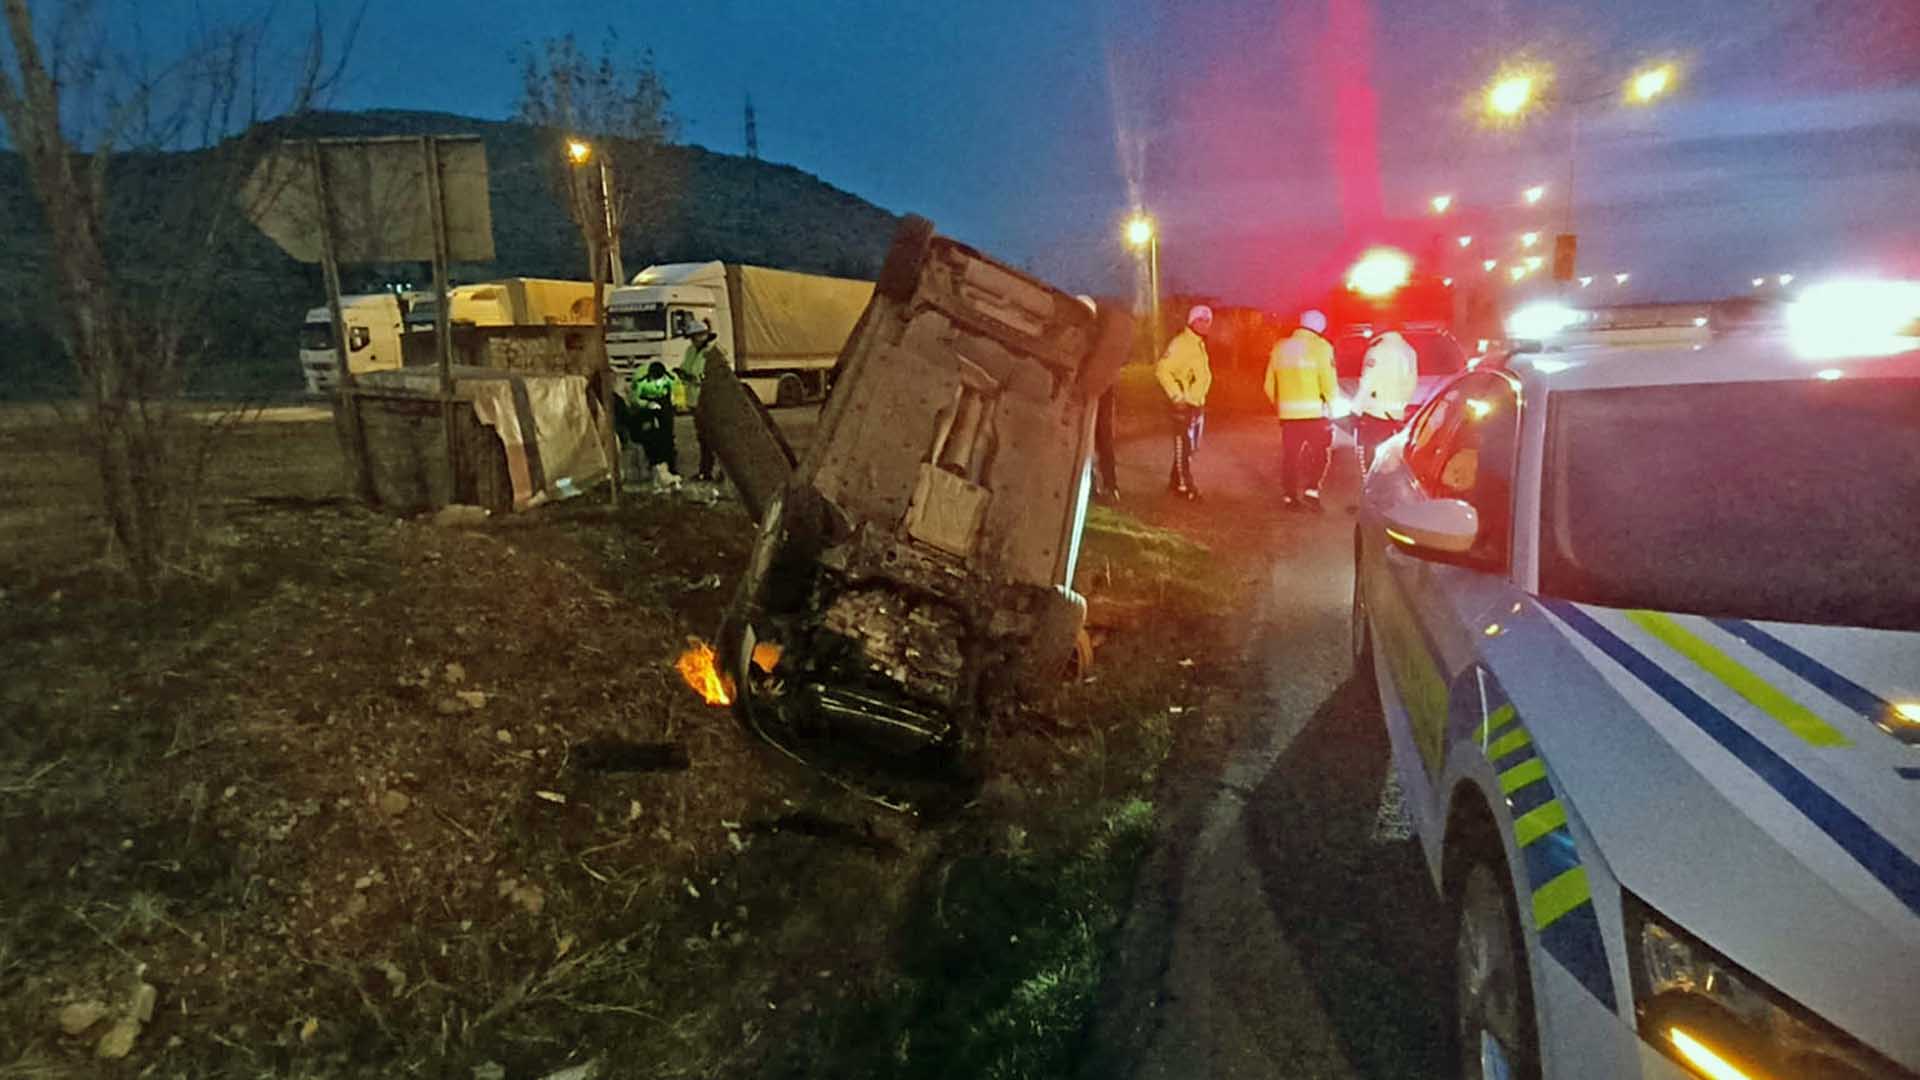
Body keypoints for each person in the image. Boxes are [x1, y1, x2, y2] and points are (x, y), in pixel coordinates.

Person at [1265, 309, 1338, 511]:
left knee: (1290, 456)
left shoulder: (1280, 347)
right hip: (1315, 415)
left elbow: (1269, 384)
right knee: (1321, 454)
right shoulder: (1321, 347)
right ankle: (1311, 490)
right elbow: (1328, 382)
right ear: (1320, 328)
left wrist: (1279, 405)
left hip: (1288, 415)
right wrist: (1333, 405)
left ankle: (1289, 496)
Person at [1155, 304, 1213, 500]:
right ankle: (1184, 485)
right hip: (1182, 403)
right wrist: (1176, 396)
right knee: (1183, 444)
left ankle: (1175, 480)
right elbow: (1162, 369)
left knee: (1188, 446)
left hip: (1195, 403)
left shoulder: (1198, 344)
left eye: (1208, 321)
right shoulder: (1181, 343)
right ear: (1192, 321)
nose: (1205, 324)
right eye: (1201, 320)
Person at [1354, 325, 1417, 474]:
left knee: (1372, 458)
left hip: (1376, 413)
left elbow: (1367, 382)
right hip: (1396, 415)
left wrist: (1356, 410)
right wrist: (1402, 406)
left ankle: (1372, 488)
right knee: (1391, 457)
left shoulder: (1378, 350)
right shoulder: (1409, 350)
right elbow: (1412, 383)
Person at [1078, 295, 1120, 500]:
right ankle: (1096, 483)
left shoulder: (1097, 336)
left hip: (1099, 393)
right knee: (1090, 440)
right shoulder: (1084, 335)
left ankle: (1108, 484)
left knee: (1101, 438)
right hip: (1089, 393)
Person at [677, 320, 727, 481]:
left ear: (704, 335)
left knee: (717, 439)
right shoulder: (691, 350)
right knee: (704, 440)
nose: (692, 340)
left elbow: (719, 376)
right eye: (691, 337)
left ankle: (724, 472)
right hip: (695, 402)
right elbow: (687, 368)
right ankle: (705, 471)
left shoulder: (714, 352)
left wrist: (693, 378)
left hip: (710, 402)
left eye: (694, 337)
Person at [629, 360, 680, 490]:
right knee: (650, 436)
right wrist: (647, 404)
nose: (657, 382)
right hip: (646, 404)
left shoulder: (670, 378)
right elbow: (634, 398)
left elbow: (678, 391)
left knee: (668, 435)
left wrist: (676, 403)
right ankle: (653, 466)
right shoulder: (641, 380)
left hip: (665, 403)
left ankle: (671, 468)